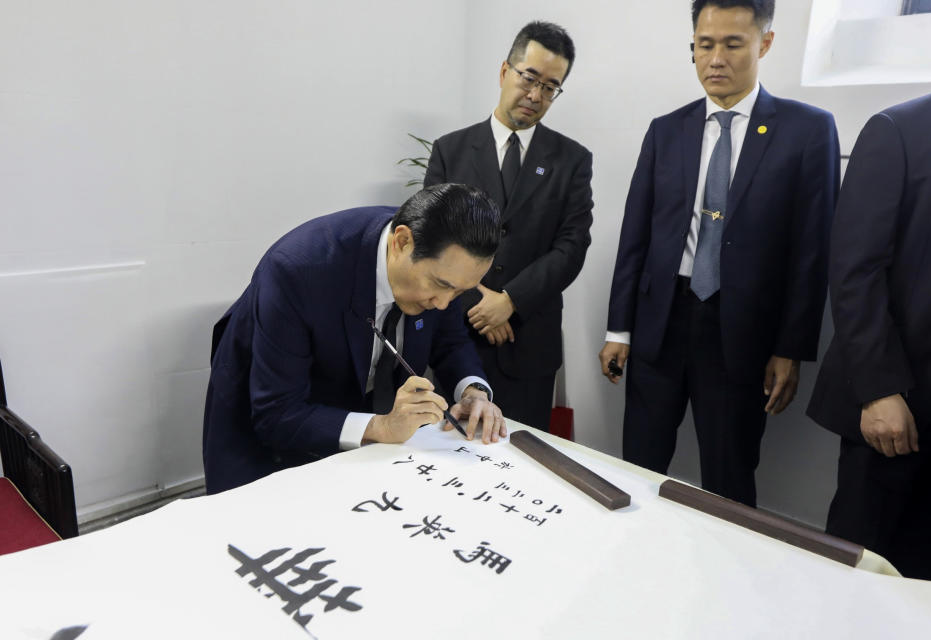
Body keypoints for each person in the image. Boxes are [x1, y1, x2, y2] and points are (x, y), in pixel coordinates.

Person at [599, 0, 839, 506]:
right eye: (705, 45)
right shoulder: (667, 130)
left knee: (729, 475)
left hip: (741, 333)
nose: (716, 59)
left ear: (764, 44)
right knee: (637, 463)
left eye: (733, 44)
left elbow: (811, 253)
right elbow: (635, 235)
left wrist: (790, 348)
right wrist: (618, 328)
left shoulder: (807, 131)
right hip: (659, 323)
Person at [203, 184, 508, 494]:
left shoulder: (445, 266)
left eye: (459, 292)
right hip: (264, 419)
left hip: (354, 412)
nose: (444, 303)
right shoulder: (298, 271)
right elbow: (278, 413)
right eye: (440, 285)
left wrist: (473, 392)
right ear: (401, 242)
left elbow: (450, 340)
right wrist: (382, 427)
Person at [807, 81, 931, 580]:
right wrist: (879, 391)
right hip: (901, 403)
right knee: (856, 572)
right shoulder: (900, 129)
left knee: (920, 578)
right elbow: (856, 270)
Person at [423, 20, 593, 432]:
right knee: (450, 455)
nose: (535, 95)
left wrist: (510, 301)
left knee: (523, 456)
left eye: (550, 87)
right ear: (505, 72)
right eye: (529, 78)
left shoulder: (572, 159)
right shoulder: (451, 149)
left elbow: (571, 246)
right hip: (456, 333)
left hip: (528, 341)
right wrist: (477, 301)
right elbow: (432, 235)